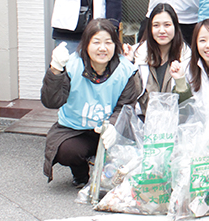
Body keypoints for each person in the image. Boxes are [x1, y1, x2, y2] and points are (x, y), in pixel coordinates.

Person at [41, 19, 140, 187]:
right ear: (86, 44)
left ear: (116, 45)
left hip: (109, 130)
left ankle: (110, 176)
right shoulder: (72, 65)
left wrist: (114, 126)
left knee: (126, 152)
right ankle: (80, 174)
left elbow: (126, 106)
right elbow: (51, 101)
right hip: (76, 130)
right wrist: (55, 70)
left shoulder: (126, 70)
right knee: (68, 151)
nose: (102, 48)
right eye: (96, 42)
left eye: (108, 42)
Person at [124, 3, 192, 116]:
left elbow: (187, 104)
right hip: (143, 122)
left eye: (167, 25)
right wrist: (129, 64)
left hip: (176, 123)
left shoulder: (186, 57)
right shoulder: (137, 53)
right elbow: (131, 96)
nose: (161, 31)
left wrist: (180, 80)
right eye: (156, 25)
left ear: (175, 27)